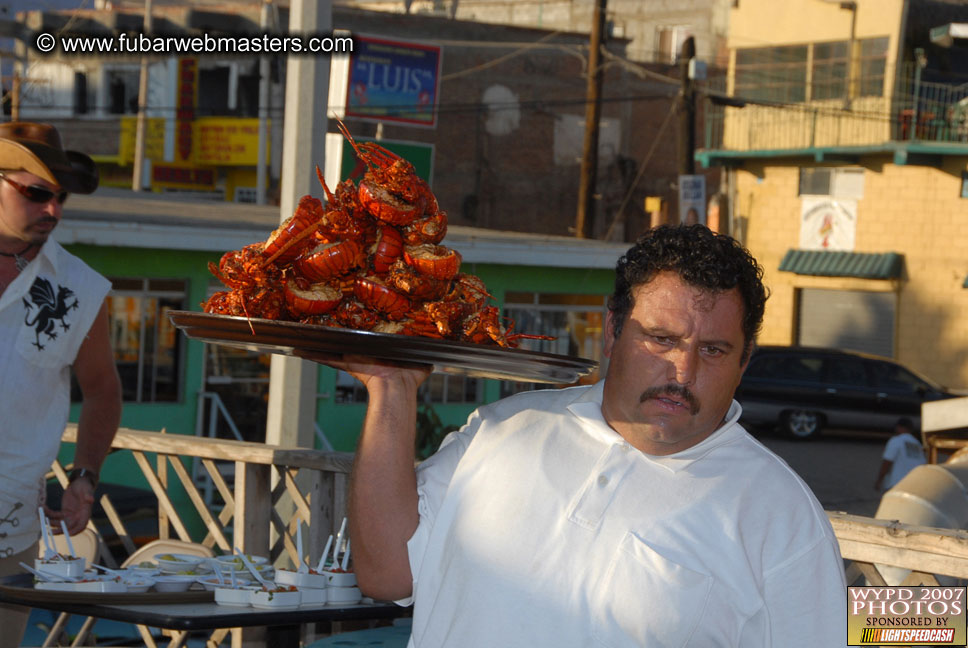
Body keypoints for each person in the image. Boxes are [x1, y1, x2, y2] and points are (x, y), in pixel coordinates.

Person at [304, 224, 846, 647]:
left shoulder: (781, 516)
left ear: (744, 362)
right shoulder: (505, 428)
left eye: (713, 350)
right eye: (659, 339)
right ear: (612, 332)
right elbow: (386, 574)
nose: (682, 372)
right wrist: (391, 391)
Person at [0, 122, 121, 646]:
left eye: (60, 197)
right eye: (36, 193)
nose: (53, 210)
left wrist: (85, 477)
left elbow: (102, 389)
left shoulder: (78, 287)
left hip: (9, 525)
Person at [874, 417, 926, 492]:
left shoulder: (896, 440)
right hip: (915, 486)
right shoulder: (917, 444)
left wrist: (879, 480)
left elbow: (887, 462)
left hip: (897, 484)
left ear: (899, 427)